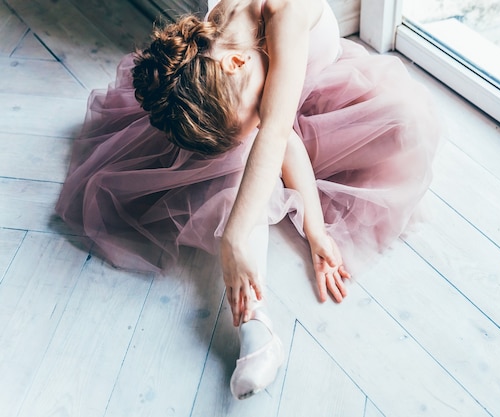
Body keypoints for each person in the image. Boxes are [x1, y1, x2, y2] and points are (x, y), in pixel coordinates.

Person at [55, 0, 440, 400]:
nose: (249, 127)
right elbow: (268, 133)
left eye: (245, 116)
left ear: (237, 64)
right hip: (267, 119)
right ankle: (255, 326)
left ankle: (248, 197)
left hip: (315, 102)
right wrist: (256, 150)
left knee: (402, 126)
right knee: (240, 166)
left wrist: (309, 231)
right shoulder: (216, 47)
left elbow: (276, 131)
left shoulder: (284, 15)